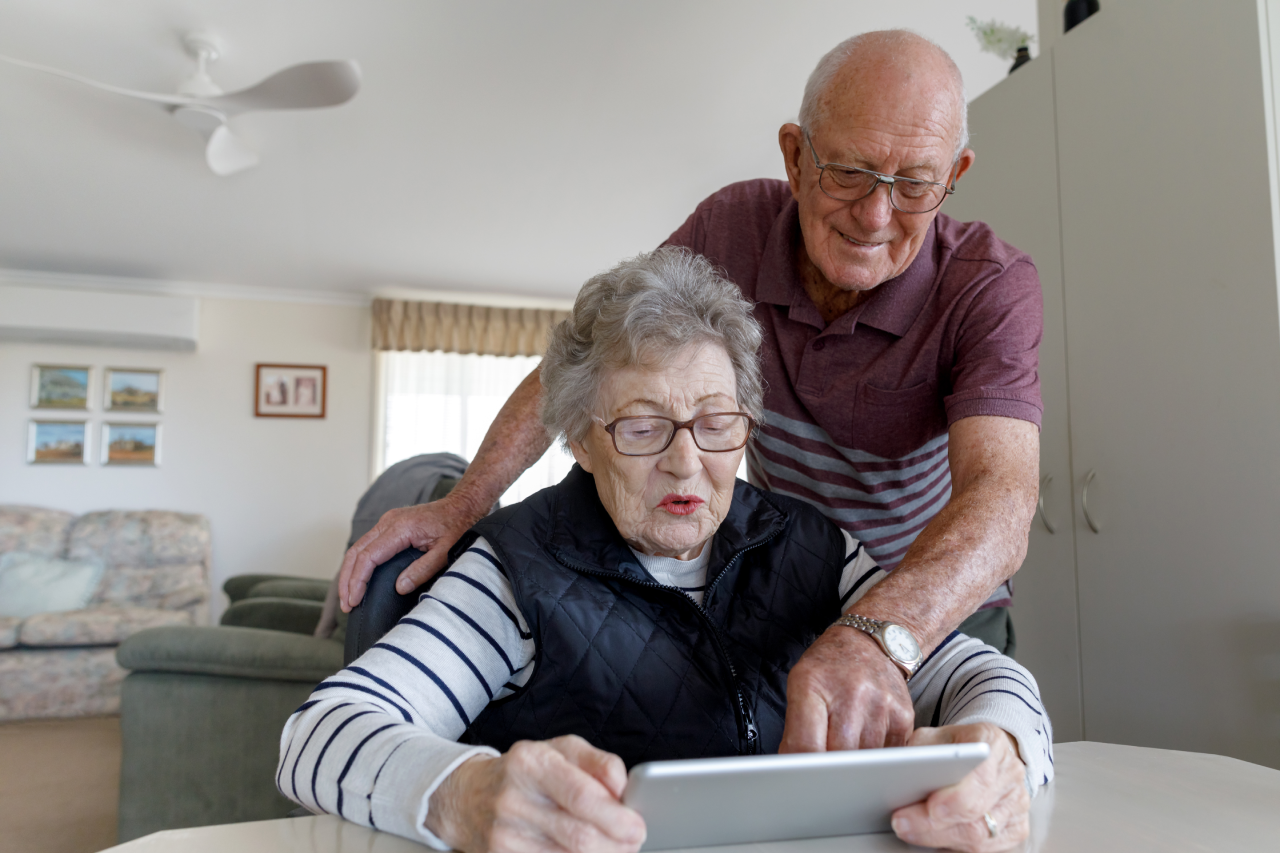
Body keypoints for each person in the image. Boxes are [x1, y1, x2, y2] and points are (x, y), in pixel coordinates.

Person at [339, 30, 1042, 755]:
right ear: (797, 159)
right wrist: (465, 501)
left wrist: (878, 634)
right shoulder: (732, 227)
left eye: (915, 182)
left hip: (924, 598)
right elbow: (591, 353)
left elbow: (1003, 499)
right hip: (784, 581)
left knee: (968, 788)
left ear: (955, 172)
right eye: (850, 172)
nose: (874, 214)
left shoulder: (988, 285)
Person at [280, 250, 1052, 853]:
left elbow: (982, 674)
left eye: (717, 422)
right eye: (644, 427)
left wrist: (1005, 753)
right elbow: (320, 733)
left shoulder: (816, 547)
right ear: (582, 438)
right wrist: (464, 793)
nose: (687, 464)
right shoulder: (515, 569)